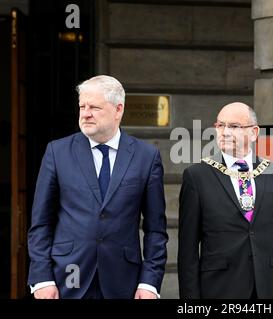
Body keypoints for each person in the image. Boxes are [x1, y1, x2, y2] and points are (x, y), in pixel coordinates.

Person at [27, 75, 168, 299]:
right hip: (67, 279)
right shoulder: (57, 152)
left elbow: (156, 229)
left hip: (124, 283)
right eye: (82, 106)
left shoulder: (146, 156)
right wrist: (41, 278)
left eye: (94, 107)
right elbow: (41, 223)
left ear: (118, 109)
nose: (85, 113)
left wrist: (149, 283)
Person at [177, 102, 273, 299]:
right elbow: (187, 252)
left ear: (254, 132)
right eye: (220, 125)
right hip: (219, 289)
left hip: (266, 288)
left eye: (234, 127)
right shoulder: (198, 176)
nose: (224, 132)